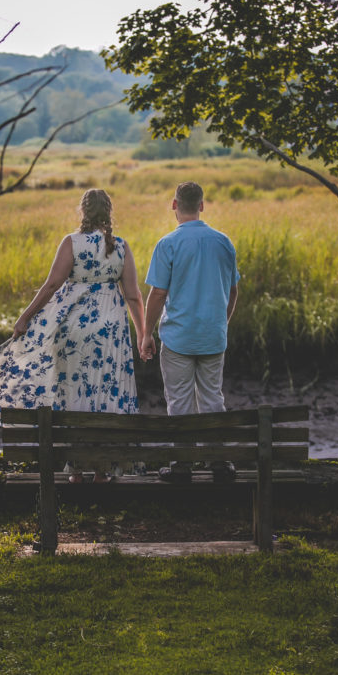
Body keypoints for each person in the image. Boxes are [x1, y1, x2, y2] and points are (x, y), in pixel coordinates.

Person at [0, 189, 145, 479]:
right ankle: (103, 470)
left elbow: (51, 286)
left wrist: (25, 317)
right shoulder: (121, 246)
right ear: (109, 213)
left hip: (74, 331)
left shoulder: (72, 242)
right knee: (107, 393)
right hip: (111, 332)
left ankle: (75, 470)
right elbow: (134, 296)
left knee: (73, 393)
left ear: (84, 212)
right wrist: (143, 334)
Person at [140, 181, 239, 481]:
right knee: (212, 398)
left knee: (180, 400)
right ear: (202, 205)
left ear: (174, 205)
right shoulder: (224, 242)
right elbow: (233, 291)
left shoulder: (167, 243)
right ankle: (219, 463)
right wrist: (223, 322)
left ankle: (182, 465)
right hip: (212, 335)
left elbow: (158, 293)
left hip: (178, 337)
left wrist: (147, 334)